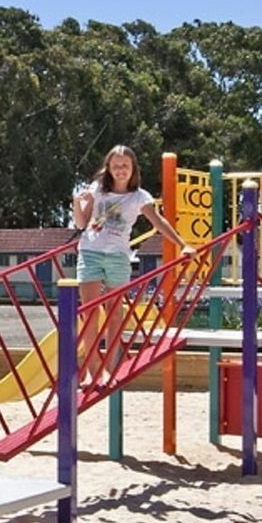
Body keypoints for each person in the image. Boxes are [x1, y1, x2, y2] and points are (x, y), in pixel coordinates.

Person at [71, 145, 191, 364]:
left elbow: (158, 221)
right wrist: (77, 203)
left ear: (133, 168)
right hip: (91, 252)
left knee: (115, 313)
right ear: (108, 168)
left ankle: (109, 366)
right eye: (116, 166)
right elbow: (81, 223)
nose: (120, 170)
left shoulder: (139, 197)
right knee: (90, 314)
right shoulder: (97, 189)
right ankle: (89, 369)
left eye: (125, 166)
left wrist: (182, 243)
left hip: (118, 256)